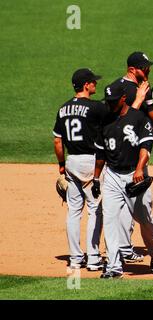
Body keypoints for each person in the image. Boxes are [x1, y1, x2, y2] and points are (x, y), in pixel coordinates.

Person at [93, 80, 153, 278]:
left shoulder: (138, 118)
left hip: (135, 174)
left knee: (144, 218)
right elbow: (100, 154)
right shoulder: (105, 122)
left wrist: (140, 168)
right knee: (110, 219)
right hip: (113, 175)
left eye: (113, 101)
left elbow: (147, 146)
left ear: (123, 99)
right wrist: (96, 178)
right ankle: (114, 267)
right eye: (108, 101)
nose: (110, 104)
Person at [52, 68, 107, 271]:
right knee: (95, 209)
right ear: (86, 85)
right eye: (93, 82)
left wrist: (61, 164)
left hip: (72, 161)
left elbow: (58, 141)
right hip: (90, 163)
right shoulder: (96, 108)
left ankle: (75, 258)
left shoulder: (63, 108)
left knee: (74, 211)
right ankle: (93, 258)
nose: (95, 84)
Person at [107, 51, 153, 263]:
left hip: (140, 147)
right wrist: (138, 99)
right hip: (123, 152)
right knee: (135, 204)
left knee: (133, 200)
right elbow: (117, 122)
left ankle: (125, 247)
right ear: (132, 69)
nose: (148, 69)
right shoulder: (119, 90)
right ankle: (124, 248)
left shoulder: (141, 86)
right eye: (144, 67)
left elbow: (150, 116)